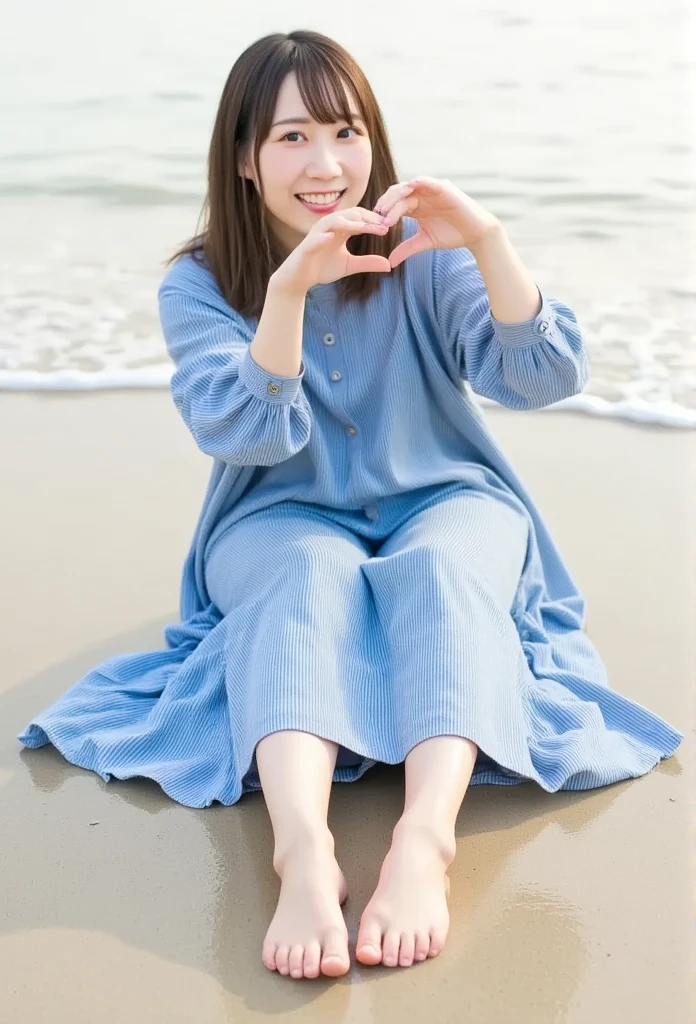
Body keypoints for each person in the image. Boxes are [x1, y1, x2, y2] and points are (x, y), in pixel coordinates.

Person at [18, 30, 683, 981]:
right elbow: (244, 435)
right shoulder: (201, 281)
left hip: (446, 495)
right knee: (305, 577)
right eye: (291, 138)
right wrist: (289, 290)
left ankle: (425, 842)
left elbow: (541, 379)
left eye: (345, 130)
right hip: (276, 513)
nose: (325, 165)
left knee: (442, 569)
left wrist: (489, 241)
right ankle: (302, 850)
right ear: (245, 160)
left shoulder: (420, 253)